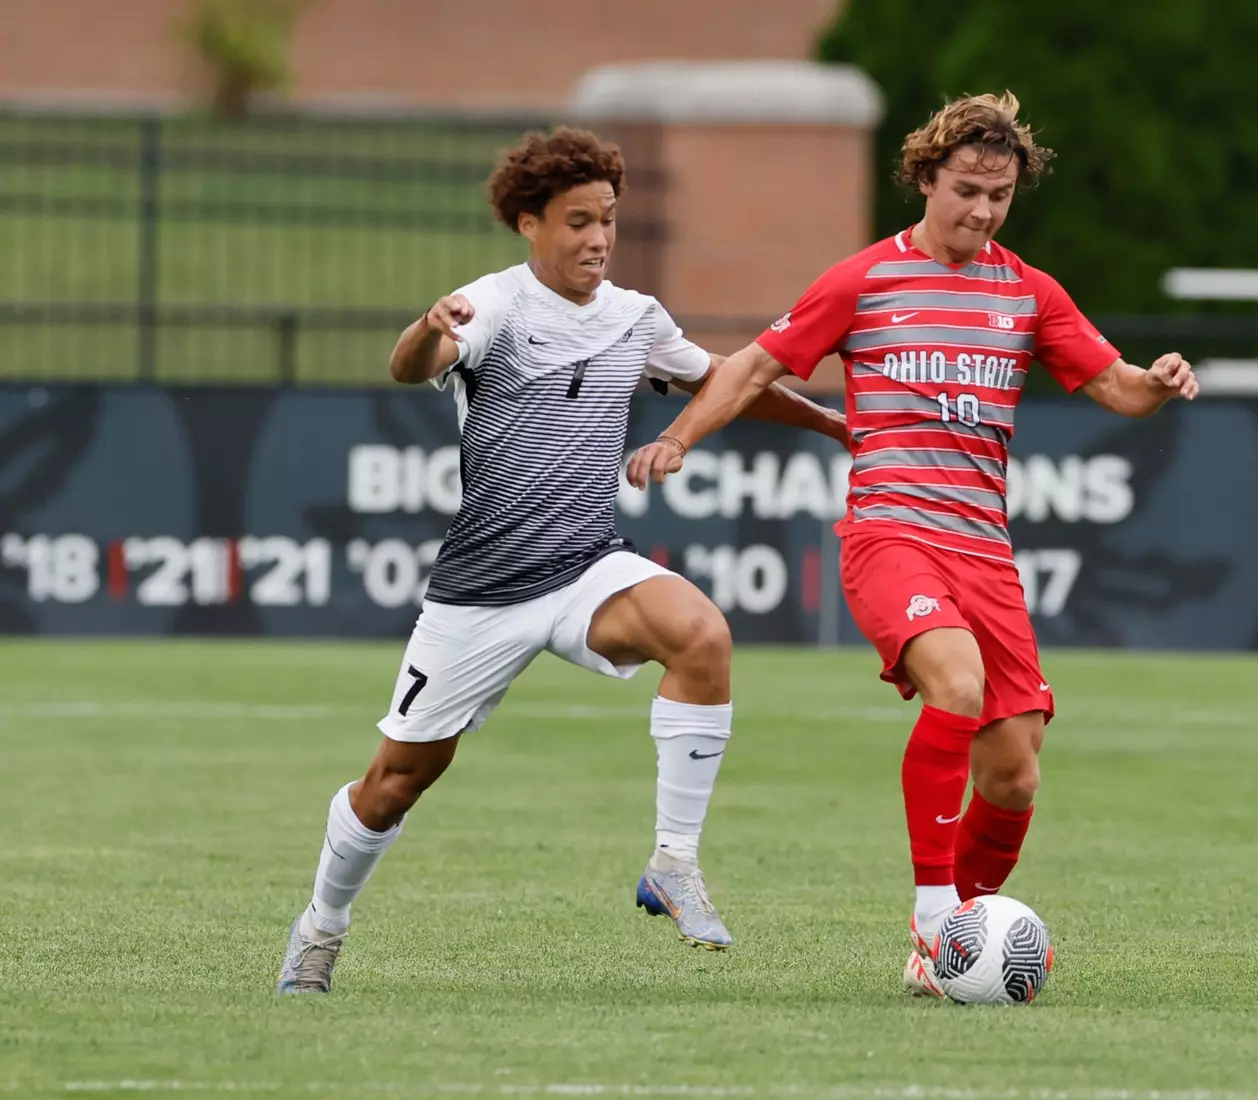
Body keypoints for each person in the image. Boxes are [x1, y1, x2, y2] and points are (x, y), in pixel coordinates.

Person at [627, 92, 1199, 996]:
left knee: (1012, 776)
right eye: (967, 189)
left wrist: (1158, 383)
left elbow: (1118, 389)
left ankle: (945, 951)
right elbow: (752, 366)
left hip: (985, 553)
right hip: (892, 534)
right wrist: (679, 437)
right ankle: (937, 914)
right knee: (958, 686)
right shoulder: (864, 280)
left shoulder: (1029, 292)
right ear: (926, 177)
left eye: (1000, 195)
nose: (982, 210)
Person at [276, 126, 849, 994]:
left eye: (608, 219)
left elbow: (727, 383)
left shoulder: (634, 317)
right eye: (577, 221)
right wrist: (428, 329)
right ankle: (322, 926)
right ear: (528, 224)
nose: (598, 239)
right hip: (481, 594)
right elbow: (410, 365)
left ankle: (674, 862)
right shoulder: (493, 305)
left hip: (586, 568)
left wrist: (841, 427)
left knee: (701, 636)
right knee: (393, 785)